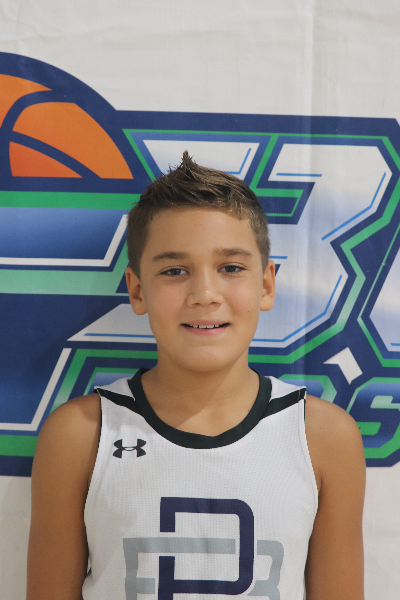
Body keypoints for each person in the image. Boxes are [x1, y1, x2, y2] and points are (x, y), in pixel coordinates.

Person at [27, 152, 366, 600]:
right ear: (137, 290)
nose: (204, 294)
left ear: (266, 284)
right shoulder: (80, 435)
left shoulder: (323, 437)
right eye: (174, 270)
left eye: (230, 268)